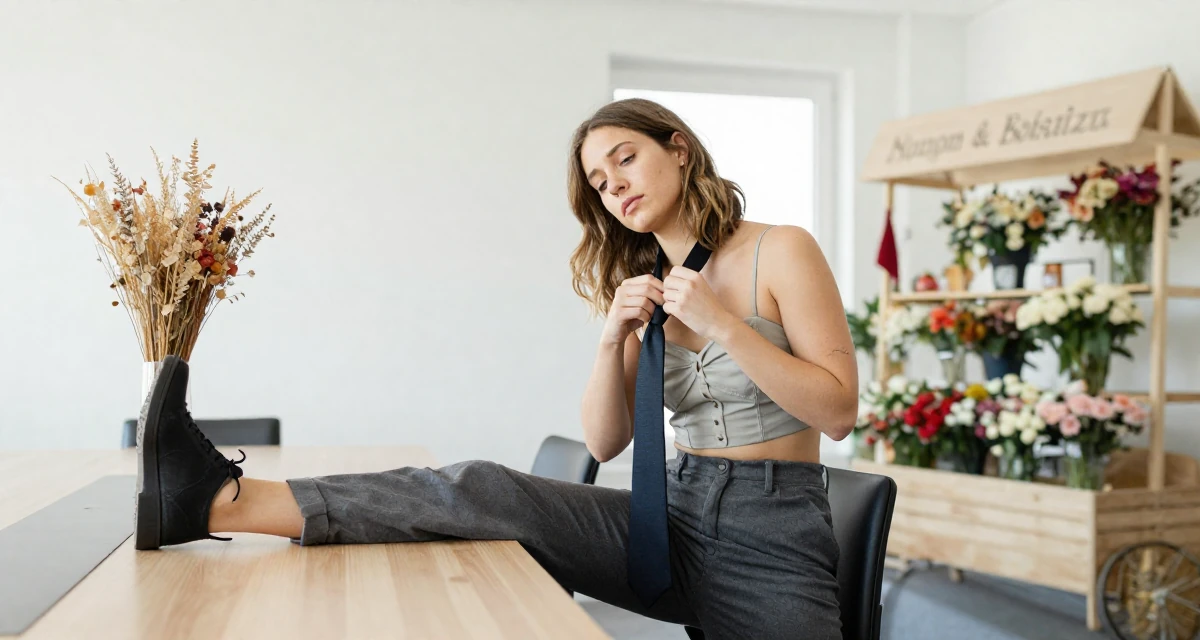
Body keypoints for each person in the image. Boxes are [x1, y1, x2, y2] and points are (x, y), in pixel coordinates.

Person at [132, 98, 858, 639]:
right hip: (671, 513)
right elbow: (606, 443)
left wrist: (723, 324)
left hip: (772, 529)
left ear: (679, 149)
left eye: (626, 160)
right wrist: (611, 340)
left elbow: (837, 412)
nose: (615, 186)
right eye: (599, 182)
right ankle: (221, 501)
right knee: (482, 486)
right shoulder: (649, 288)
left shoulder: (781, 249)